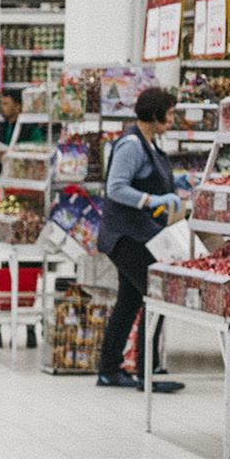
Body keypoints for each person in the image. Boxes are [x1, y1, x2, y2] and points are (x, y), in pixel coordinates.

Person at [95, 88, 189, 394]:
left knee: (130, 300)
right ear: (154, 113)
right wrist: (152, 199)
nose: (173, 119)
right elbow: (116, 188)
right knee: (156, 296)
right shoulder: (133, 145)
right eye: (171, 113)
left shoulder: (149, 143)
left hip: (135, 235)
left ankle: (109, 370)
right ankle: (147, 372)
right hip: (126, 236)